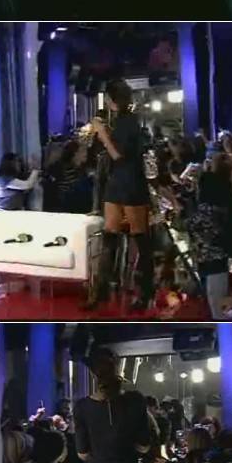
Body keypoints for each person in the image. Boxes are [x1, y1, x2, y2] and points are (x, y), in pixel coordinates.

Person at [83, 80, 154, 315]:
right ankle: (100, 289)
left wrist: (103, 134)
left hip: (131, 183)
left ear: (114, 99)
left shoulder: (130, 122)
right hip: (115, 183)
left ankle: (144, 292)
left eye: (108, 98)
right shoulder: (118, 121)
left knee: (140, 238)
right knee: (109, 236)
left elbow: (118, 155)